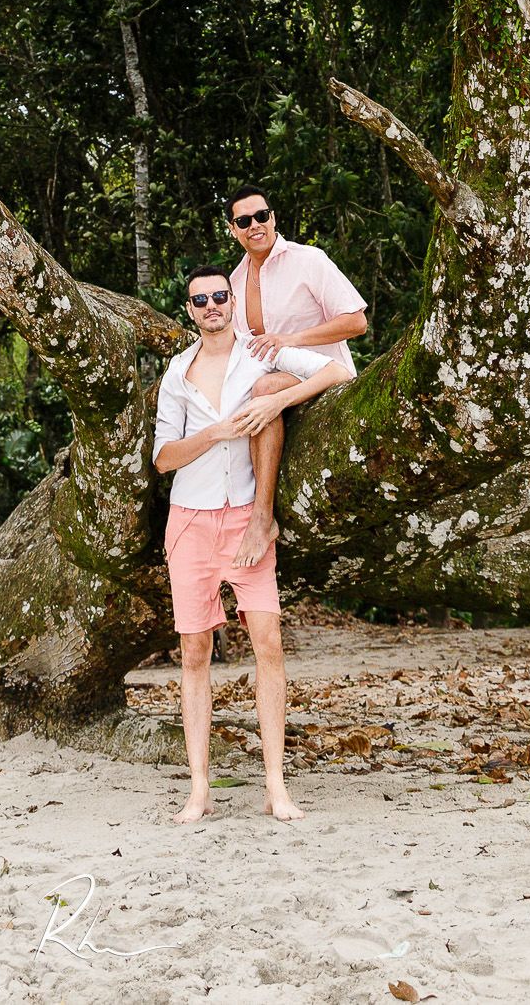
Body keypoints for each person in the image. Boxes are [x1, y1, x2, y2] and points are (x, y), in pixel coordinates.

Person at [152, 262, 348, 824]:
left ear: (232, 302)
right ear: (190, 311)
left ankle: (276, 787)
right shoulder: (177, 372)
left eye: (219, 296)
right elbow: (163, 458)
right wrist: (214, 432)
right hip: (190, 521)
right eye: (200, 300)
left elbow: (339, 372)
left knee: (269, 645)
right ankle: (199, 789)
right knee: (195, 652)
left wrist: (275, 402)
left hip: (246, 518)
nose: (211, 306)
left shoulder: (260, 355)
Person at [226, 184, 367, 567]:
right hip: (270, 389)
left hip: (326, 378)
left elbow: (356, 322)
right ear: (233, 230)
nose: (255, 225)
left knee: (265, 388)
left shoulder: (309, 260)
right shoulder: (234, 284)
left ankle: (261, 518)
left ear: (273, 218)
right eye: (244, 221)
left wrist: (291, 339)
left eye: (261, 216)